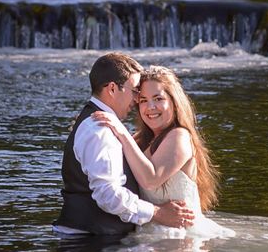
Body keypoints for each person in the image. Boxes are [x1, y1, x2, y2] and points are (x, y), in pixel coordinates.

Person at [53, 53, 195, 236]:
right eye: (136, 92)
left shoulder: (100, 124)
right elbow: (108, 195)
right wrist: (158, 213)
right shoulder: (101, 129)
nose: (137, 100)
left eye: (157, 98)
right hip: (89, 241)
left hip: (93, 236)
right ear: (112, 89)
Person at [92, 65, 235, 238]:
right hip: (150, 236)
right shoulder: (139, 140)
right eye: (143, 100)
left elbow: (150, 179)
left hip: (182, 239)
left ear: (174, 101)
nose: (150, 107)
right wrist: (92, 128)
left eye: (158, 98)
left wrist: (120, 131)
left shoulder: (179, 136)